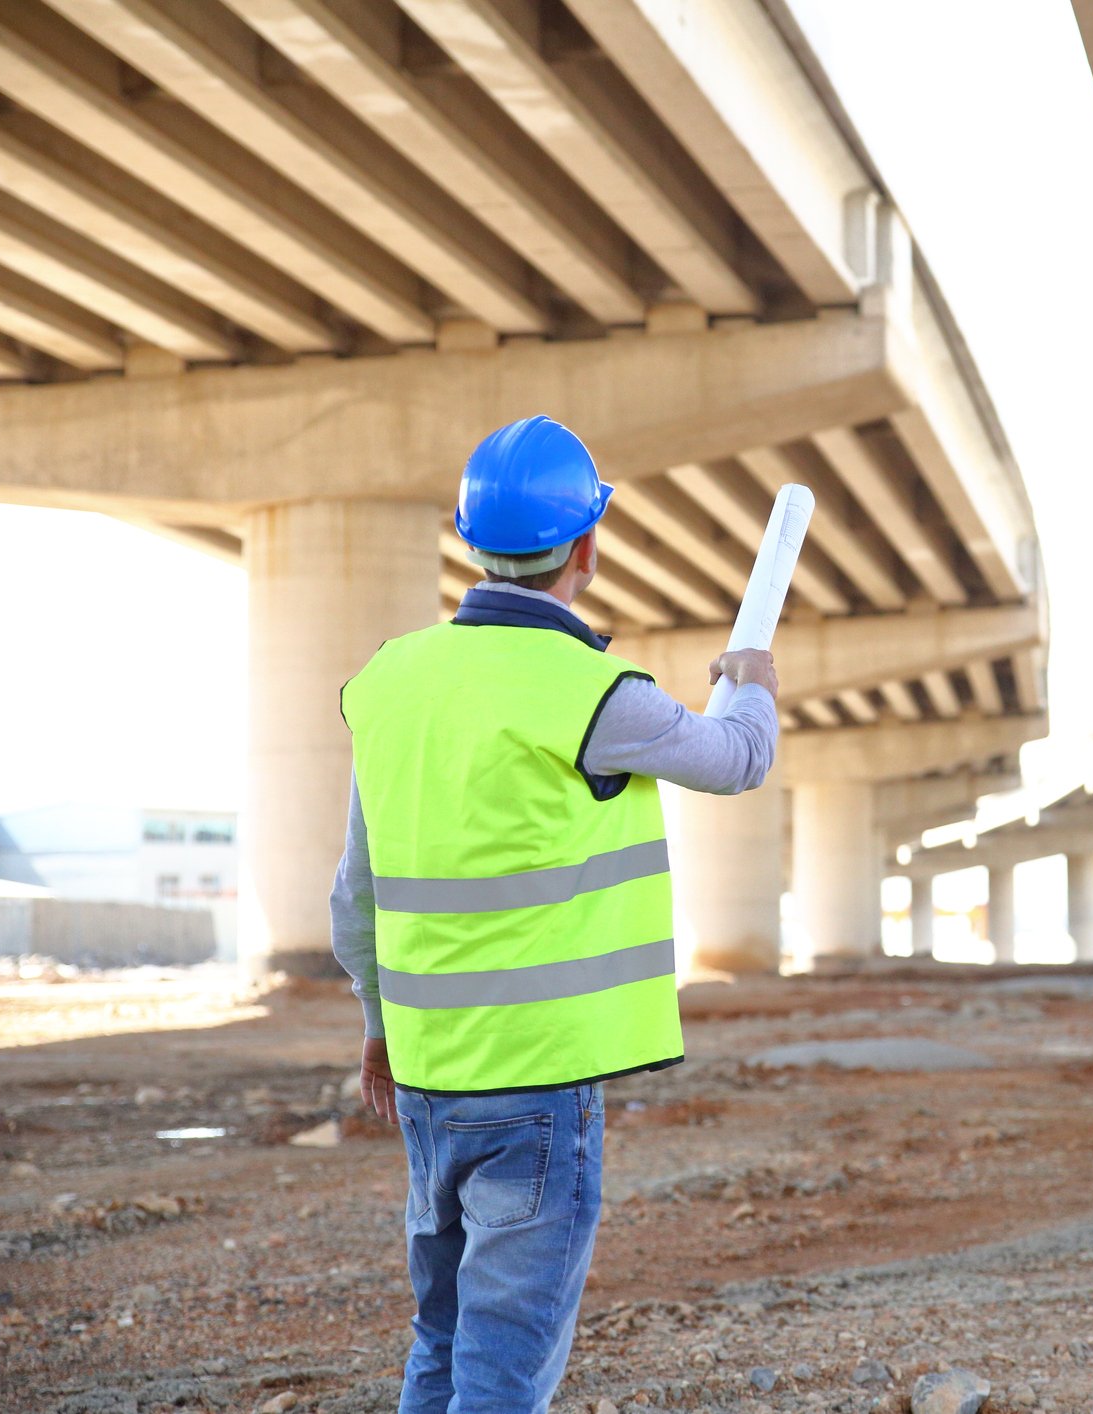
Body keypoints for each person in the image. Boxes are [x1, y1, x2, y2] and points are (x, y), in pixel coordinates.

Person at [329, 415, 781, 1413]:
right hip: (534, 1091)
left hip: (427, 1075)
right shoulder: (593, 692)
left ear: (469, 537)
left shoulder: (390, 680)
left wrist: (376, 1031)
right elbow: (737, 757)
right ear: (587, 546)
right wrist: (751, 681)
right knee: (502, 1366)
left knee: (442, 1342)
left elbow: (352, 896)